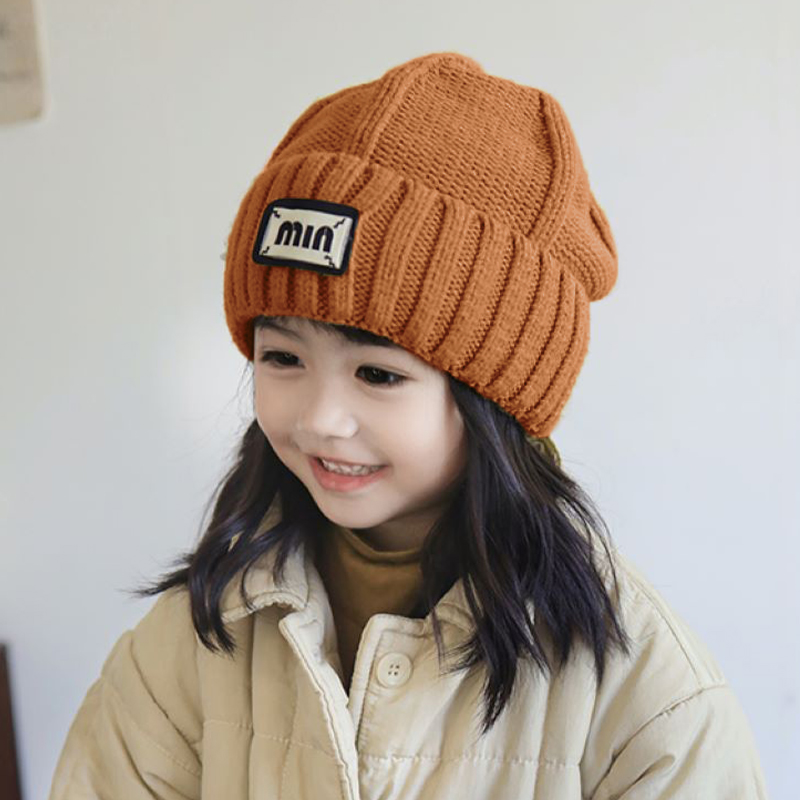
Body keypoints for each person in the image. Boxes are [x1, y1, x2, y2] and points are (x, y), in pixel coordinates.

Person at [49, 51, 769, 799]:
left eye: (378, 374)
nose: (321, 419)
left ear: (498, 398)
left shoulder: (646, 697)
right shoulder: (189, 645)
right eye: (283, 357)